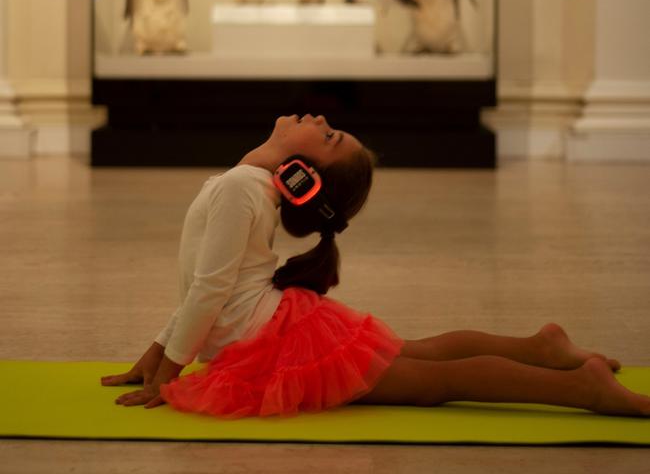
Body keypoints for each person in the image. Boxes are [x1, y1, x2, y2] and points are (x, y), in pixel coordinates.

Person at [101, 114, 650, 418]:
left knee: (436, 379)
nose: (318, 118)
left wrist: (167, 374)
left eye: (329, 135)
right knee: (424, 353)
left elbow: (208, 289)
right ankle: (542, 348)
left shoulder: (242, 187)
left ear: (304, 170)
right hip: (278, 328)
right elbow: (200, 281)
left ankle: (585, 389)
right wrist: (152, 353)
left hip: (279, 341)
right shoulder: (246, 184)